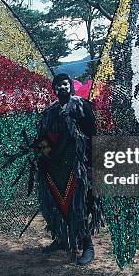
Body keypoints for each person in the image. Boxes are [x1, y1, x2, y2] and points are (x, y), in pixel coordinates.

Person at [34, 73, 102, 265]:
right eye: (58, 85)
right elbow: (41, 138)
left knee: (79, 206)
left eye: (65, 84)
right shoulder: (49, 111)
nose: (62, 87)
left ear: (70, 86)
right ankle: (61, 239)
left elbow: (93, 135)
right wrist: (48, 156)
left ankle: (87, 245)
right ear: (54, 90)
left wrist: (92, 164)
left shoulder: (82, 105)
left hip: (78, 167)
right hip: (54, 169)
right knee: (56, 204)